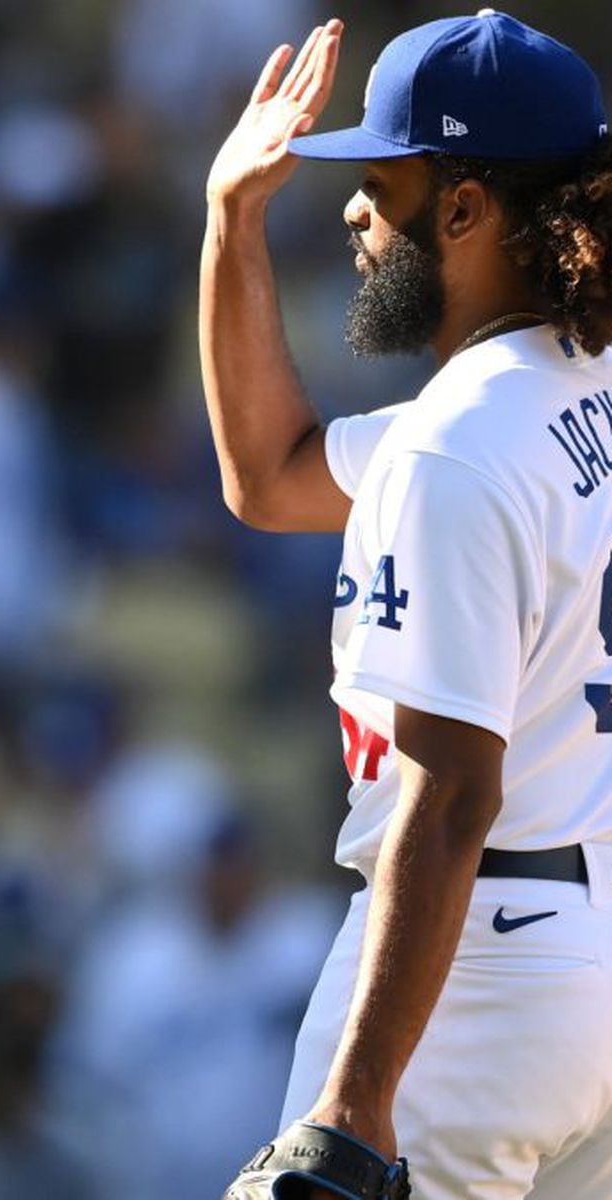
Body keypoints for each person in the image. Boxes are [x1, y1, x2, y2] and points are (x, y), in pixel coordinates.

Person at [201, 10, 612, 1199]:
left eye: (381, 182)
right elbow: (272, 475)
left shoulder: (457, 443)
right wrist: (233, 221)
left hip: (476, 976)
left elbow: (450, 795)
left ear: (469, 209)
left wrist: (359, 1096)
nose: (353, 210)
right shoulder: (569, 383)